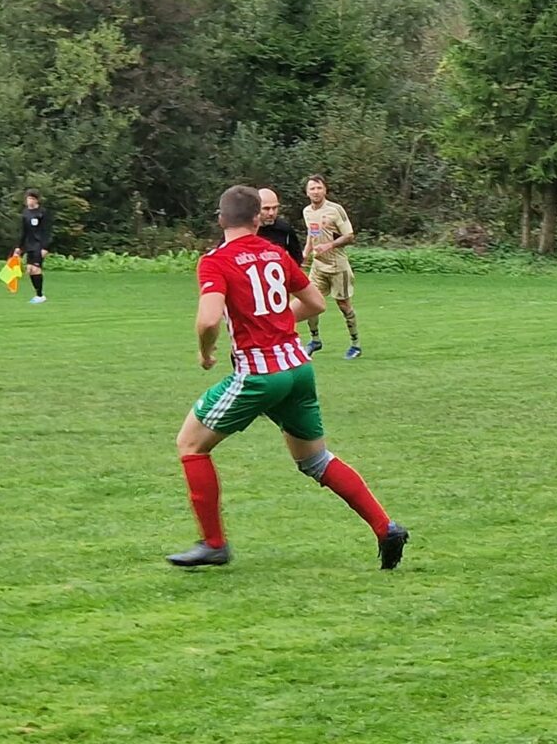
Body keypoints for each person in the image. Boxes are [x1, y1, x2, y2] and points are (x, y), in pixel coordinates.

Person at [167, 184, 408, 568]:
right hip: (298, 369)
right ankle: (386, 527)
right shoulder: (276, 254)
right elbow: (315, 302)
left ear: (220, 219)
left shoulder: (216, 260)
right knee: (316, 461)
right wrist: (277, 320)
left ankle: (214, 543)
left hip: (260, 374)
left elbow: (210, 317)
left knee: (191, 444)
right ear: (257, 219)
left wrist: (206, 349)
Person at [301, 174, 361, 359]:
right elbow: (312, 234)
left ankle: (355, 344)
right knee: (310, 303)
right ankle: (315, 340)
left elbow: (349, 235)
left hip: (337, 266)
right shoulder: (307, 211)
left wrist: (330, 245)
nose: (316, 192)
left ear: (325, 190)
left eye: (319, 188)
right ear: (307, 192)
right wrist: (304, 254)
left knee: (343, 305)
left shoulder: (336, 210)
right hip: (318, 266)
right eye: (312, 188)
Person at [13, 190, 52, 304]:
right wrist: (19, 247)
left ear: (36, 200)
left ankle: (40, 296)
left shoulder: (42, 212)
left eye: (31, 199)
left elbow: (47, 231)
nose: (29, 201)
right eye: (27, 199)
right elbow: (24, 231)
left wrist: (45, 247)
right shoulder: (25, 213)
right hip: (29, 245)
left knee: (35, 269)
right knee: (30, 270)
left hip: (39, 245)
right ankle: (38, 294)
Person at [257, 187, 302, 256]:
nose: (271, 213)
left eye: (275, 208)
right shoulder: (244, 230)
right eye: (266, 208)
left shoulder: (285, 230)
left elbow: (296, 259)